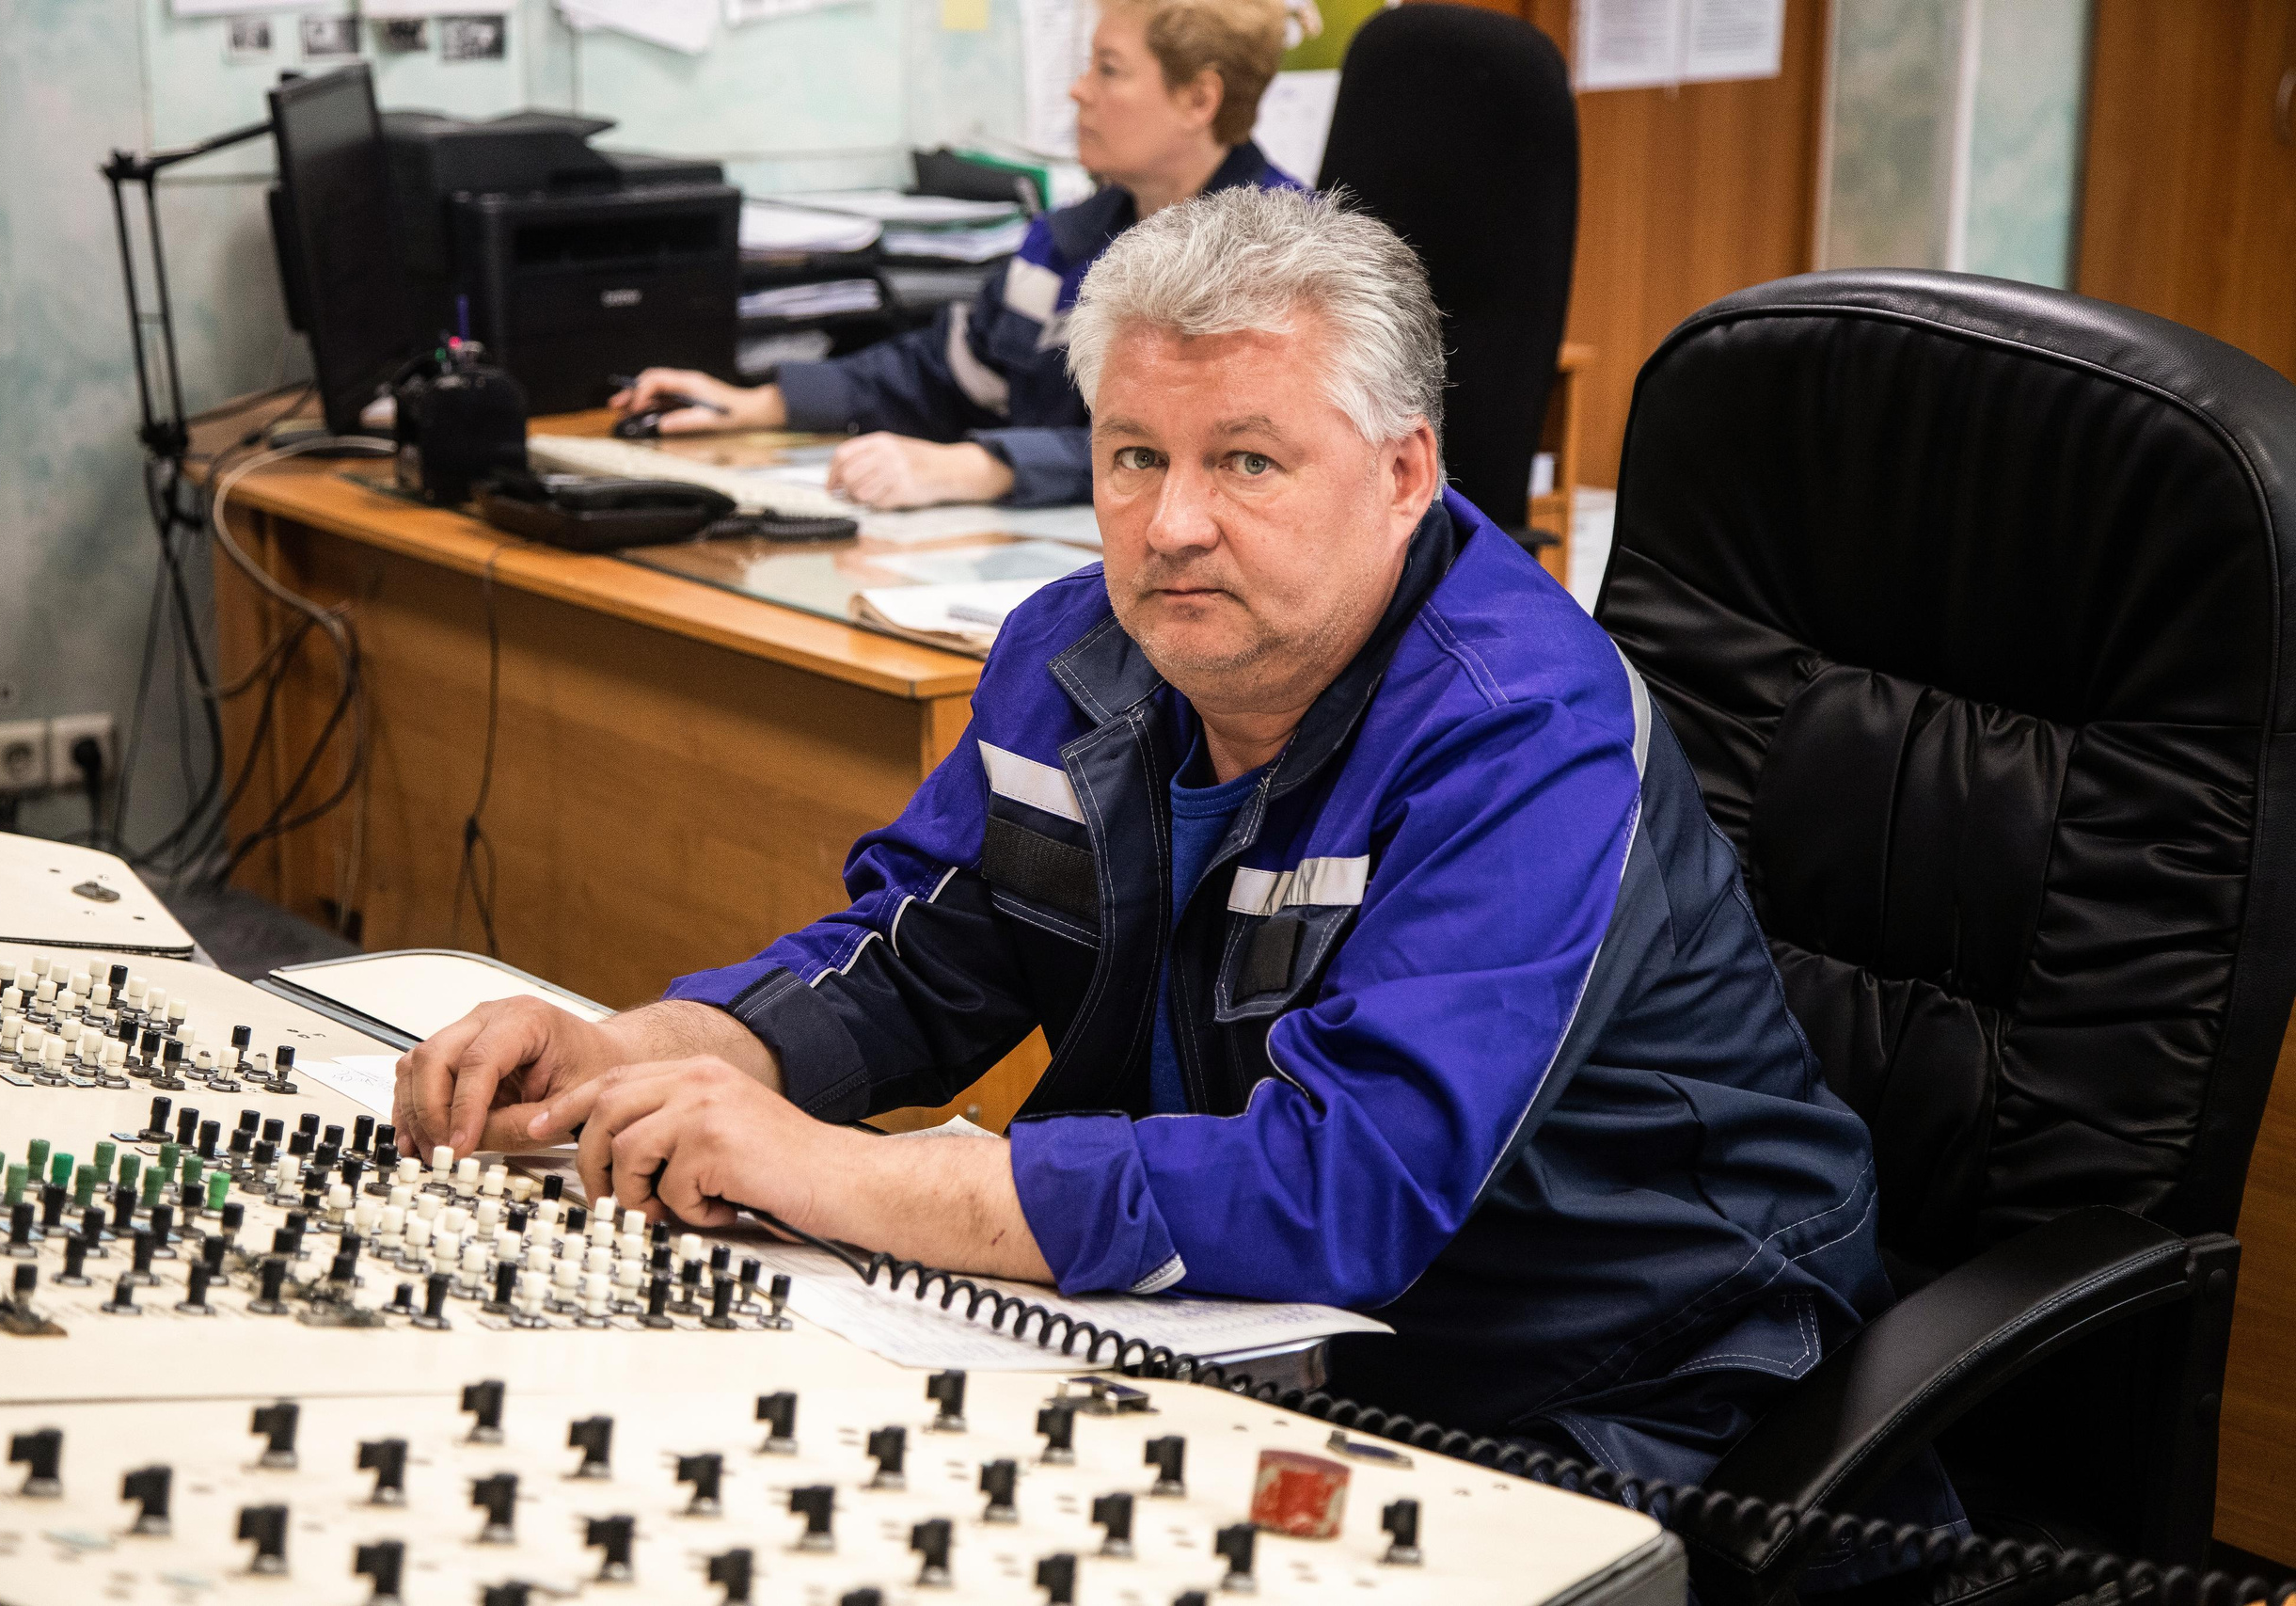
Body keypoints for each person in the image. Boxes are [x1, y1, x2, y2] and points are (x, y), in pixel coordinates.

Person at [402, 188, 1960, 1585]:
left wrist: (838, 1174)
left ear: (1405, 470)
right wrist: (664, 1043)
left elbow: (1342, 1185)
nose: (1174, 525)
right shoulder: (1077, 649)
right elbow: (920, 954)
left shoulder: (1521, 730)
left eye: (1249, 462)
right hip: (1235, 1330)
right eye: (1135, 457)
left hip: (1615, 1360)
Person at [609, 0, 1298, 511]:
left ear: (1198, 99)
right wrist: (764, 402)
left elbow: (1206, 455)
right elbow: (950, 370)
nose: (1079, 89)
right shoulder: (1065, 242)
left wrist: (982, 467)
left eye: (1108, 70)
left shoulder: (1283, 261)